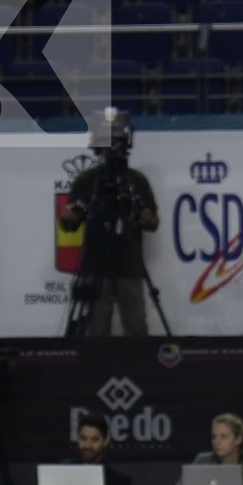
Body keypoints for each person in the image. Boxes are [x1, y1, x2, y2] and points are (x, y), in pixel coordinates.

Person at [61, 119, 161, 337]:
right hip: (96, 265)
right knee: (96, 329)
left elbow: (153, 223)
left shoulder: (136, 180)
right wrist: (70, 216)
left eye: (118, 142)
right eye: (109, 143)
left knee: (136, 327)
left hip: (129, 264)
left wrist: (143, 215)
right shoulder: (87, 181)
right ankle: (97, 370)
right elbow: (69, 223)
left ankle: (138, 369)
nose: (113, 149)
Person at [13, 414, 147, 485]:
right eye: (83, 439)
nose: (87, 446)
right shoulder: (59, 473)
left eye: (94, 440)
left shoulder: (118, 482)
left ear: (105, 441)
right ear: (77, 438)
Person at [157, 411, 243, 485]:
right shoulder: (202, 461)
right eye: (214, 437)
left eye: (224, 436)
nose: (217, 442)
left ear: (238, 439)